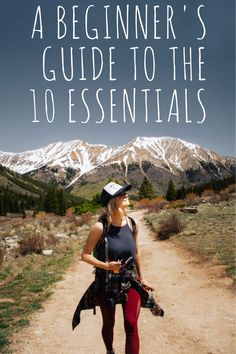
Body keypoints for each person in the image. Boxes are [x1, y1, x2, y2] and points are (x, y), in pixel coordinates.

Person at [72, 182, 164, 354]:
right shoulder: (100, 227)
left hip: (130, 280)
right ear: (112, 201)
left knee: (131, 323)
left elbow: (136, 252)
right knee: (109, 323)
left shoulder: (131, 223)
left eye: (125, 193)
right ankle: (110, 351)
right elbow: (84, 254)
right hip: (106, 282)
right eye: (122, 194)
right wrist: (106, 266)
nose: (126, 195)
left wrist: (142, 278)